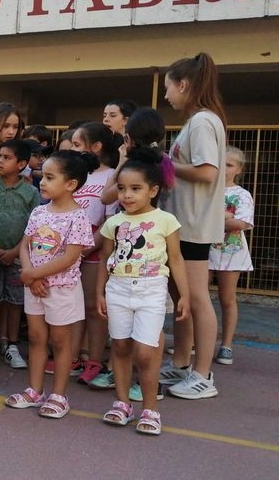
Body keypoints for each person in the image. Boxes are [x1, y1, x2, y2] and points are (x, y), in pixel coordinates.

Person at [96, 147, 190, 435]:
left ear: (153, 190)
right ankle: (122, 403)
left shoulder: (166, 221)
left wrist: (184, 294)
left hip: (151, 291)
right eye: (122, 188)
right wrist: (99, 292)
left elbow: (175, 259)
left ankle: (150, 409)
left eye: (135, 189)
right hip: (118, 290)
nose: (127, 195)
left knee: (146, 353)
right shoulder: (113, 222)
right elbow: (105, 259)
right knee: (121, 347)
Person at [5, 151, 95, 419]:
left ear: (71, 184)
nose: (41, 181)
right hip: (35, 286)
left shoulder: (78, 216)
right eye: (42, 176)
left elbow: (70, 257)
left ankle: (59, 395)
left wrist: (32, 275)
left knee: (60, 341)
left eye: (49, 177)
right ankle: (34, 390)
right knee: (36, 337)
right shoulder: (38, 212)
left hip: (61, 288)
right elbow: (26, 246)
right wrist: (30, 275)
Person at [160, 52, 226, 400]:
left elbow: (207, 171)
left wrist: (165, 165)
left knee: (197, 298)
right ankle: (182, 362)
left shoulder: (202, 121)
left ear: (183, 84)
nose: (167, 95)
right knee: (181, 296)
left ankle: (203, 373)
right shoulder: (197, 121)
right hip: (183, 224)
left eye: (169, 87)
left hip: (195, 225)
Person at [0, 139, 40, 368]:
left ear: (22, 163)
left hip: (19, 258)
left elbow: (33, 227)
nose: (0, 162)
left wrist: (15, 251)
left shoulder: (31, 193)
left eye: (7, 158)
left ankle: (12, 345)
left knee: (15, 302)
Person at [69, 122, 121, 385]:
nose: (74, 149)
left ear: (96, 147)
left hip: (92, 251)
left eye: (78, 145)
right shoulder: (74, 174)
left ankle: (94, 359)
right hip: (68, 251)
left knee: (93, 308)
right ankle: (73, 356)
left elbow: (108, 221)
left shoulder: (110, 176)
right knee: (74, 308)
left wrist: (89, 246)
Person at [209, 146, 254, 366]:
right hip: (204, 250)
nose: (224, 169)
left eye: (229, 165)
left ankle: (226, 345)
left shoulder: (242, 194)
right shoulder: (206, 189)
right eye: (221, 163)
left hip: (230, 251)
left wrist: (216, 215)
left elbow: (241, 223)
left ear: (238, 169)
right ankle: (195, 343)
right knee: (200, 298)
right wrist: (226, 215)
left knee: (227, 299)